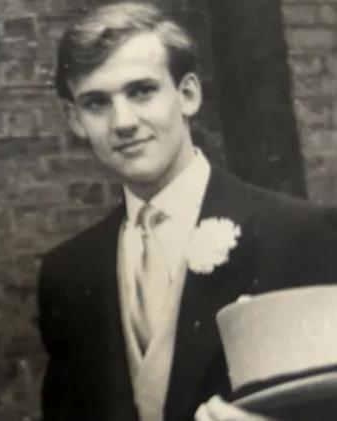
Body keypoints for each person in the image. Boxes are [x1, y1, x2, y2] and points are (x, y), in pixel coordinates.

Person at [37, 3, 337, 421]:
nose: (123, 121)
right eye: (96, 103)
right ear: (75, 119)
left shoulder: (296, 234)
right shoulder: (68, 274)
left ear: (188, 94)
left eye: (142, 91)